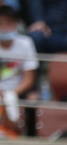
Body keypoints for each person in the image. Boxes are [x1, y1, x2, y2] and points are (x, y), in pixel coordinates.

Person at [0, 3, 37, 138]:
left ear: (16, 24)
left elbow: (29, 78)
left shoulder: (26, 43)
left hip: (18, 91)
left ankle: (28, 135)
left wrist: (11, 94)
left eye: (9, 23)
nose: (5, 28)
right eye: (1, 24)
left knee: (32, 99)